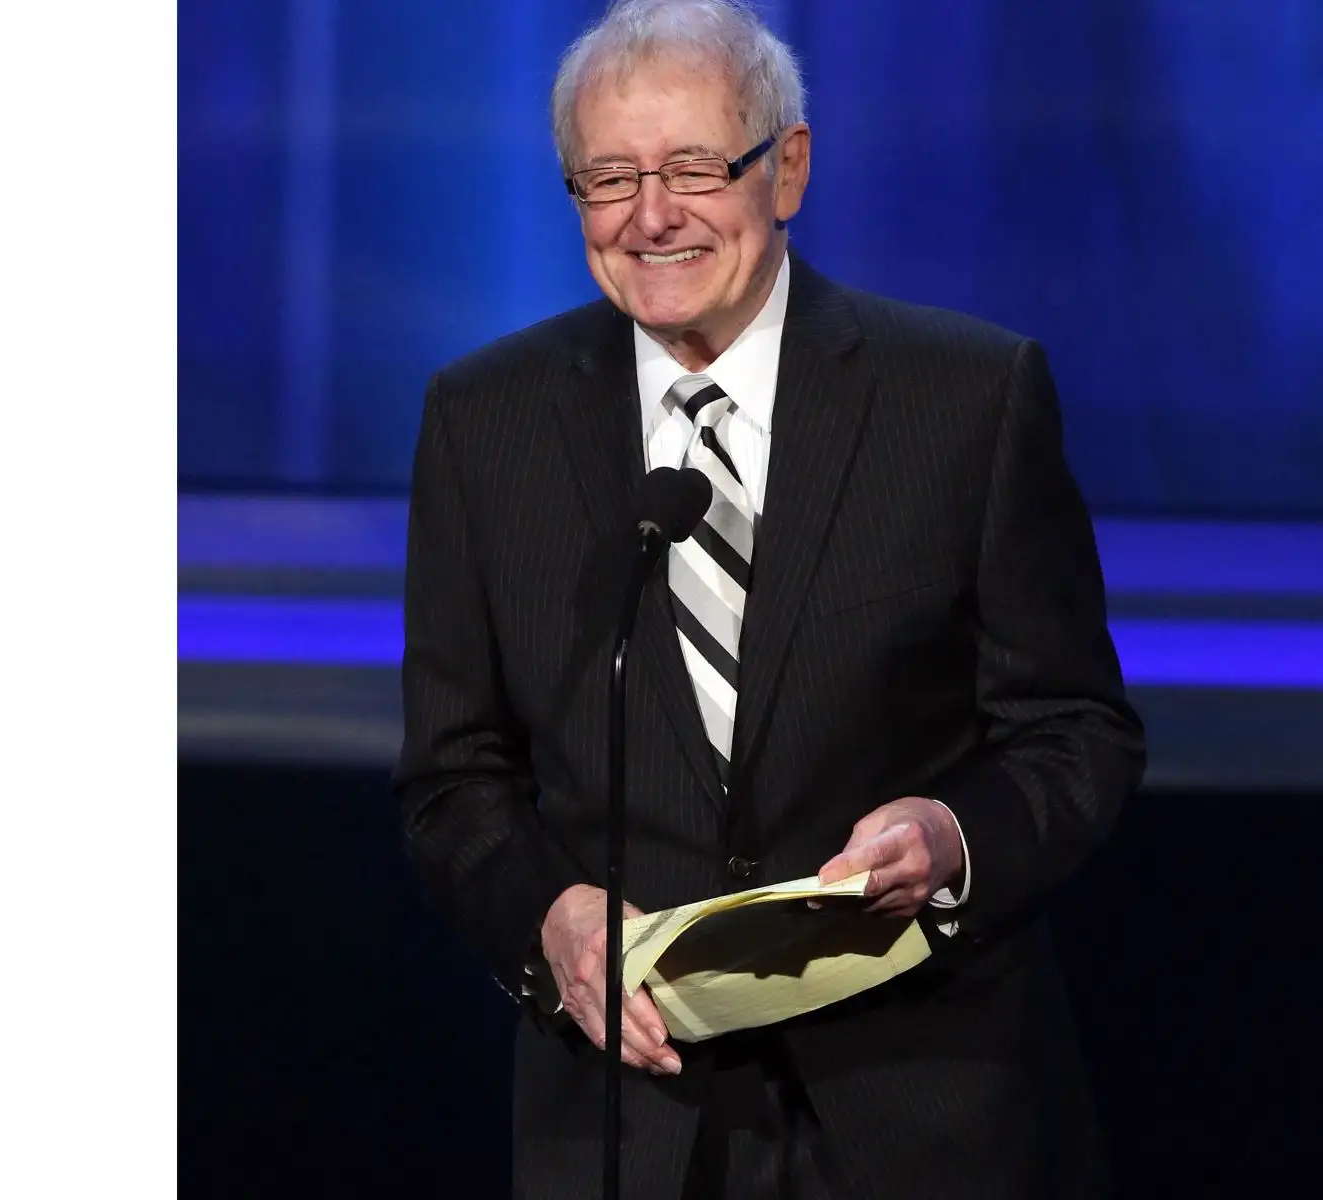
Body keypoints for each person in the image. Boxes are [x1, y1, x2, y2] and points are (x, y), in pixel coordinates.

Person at [393, 1, 1145, 1195]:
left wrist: (952, 839)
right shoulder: (486, 422)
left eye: (695, 166)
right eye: (610, 177)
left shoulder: (966, 398)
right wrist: (550, 918)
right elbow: (453, 778)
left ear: (786, 168)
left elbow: (1075, 732)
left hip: (923, 1112)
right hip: (629, 1123)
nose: (652, 215)